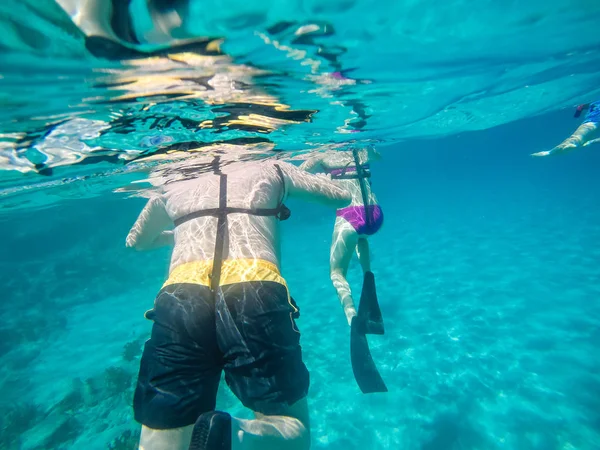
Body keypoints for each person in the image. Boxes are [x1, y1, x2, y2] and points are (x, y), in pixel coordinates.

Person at [125, 153, 351, 450]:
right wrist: (307, 168)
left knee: (163, 431)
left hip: (180, 297)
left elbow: (135, 241)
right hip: (253, 286)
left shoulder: (170, 183)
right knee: (292, 430)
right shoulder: (272, 166)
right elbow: (340, 197)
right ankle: (235, 434)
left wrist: (180, 230)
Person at [299, 147, 383, 329]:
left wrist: (319, 176)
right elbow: (378, 156)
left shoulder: (321, 151)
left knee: (336, 273)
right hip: (376, 215)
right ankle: (368, 274)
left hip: (350, 216)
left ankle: (352, 319)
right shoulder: (361, 149)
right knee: (361, 238)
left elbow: (297, 175)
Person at [532, 101, 600, 157]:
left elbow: (580, 107)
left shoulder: (594, 102)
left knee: (578, 138)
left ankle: (551, 152)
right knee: (580, 139)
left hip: (591, 122)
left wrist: (577, 116)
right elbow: (581, 107)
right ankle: (589, 142)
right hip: (593, 122)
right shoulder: (595, 102)